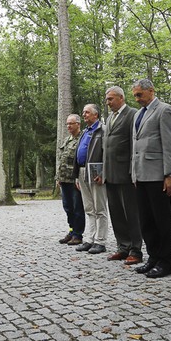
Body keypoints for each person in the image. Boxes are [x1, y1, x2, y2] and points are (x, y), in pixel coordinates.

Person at [130, 79, 171, 279]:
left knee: (162, 220)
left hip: (158, 175)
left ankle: (166, 261)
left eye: (140, 95)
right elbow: (135, 146)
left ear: (151, 91)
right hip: (141, 175)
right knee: (146, 220)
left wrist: (169, 174)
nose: (137, 99)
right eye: (134, 95)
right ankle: (153, 257)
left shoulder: (164, 110)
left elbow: (170, 144)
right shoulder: (138, 115)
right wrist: (134, 173)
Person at [101, 86, 143, 265]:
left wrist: (133, 172)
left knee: (131, 213)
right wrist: (103, 171)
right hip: (110, 174)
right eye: (107, 99)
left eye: (110, 99)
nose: (107, 102)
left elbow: (135, 145)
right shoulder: (110, 118)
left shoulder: (132, 114)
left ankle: (135, 249)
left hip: (126, 174)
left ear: (121, 98)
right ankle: (122, 247)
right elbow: (106, 147)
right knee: (116, 212)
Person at [73, 104, 108, 255]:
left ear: (96, 115)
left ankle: (101, 241)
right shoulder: (85, 132)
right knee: (89, 208)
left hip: (96, 172)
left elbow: (107, 153)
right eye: (83, 112)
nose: (84, 115)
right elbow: (78, 154)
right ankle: (90, 239)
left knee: (99, 208)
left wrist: (104, 173)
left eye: (87, 112)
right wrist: (76, 176)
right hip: (81, 172)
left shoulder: (103, 130)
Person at [57, 114, 85, 246]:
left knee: (77, 207)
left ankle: (78, 234)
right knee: (68, 207)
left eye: (71, 124)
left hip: (75, 180)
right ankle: (72, 230)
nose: (68, 126)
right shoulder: (67, 140)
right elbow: (62, 159)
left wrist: (78, 178)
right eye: (67, 124)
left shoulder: (82, 139)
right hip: (64, 179)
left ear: (78, 124)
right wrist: (58, 177)